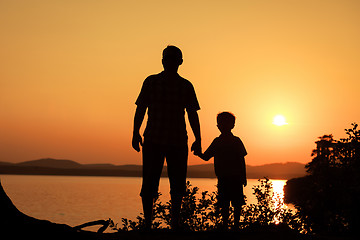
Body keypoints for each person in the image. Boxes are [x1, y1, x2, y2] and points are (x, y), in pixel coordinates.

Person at [132, 45, 202, 230]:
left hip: (177, 141)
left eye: (173, 58)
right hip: (153, 140)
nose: (170, 61)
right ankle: (148, 224)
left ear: (180, 62)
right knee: (149, 182)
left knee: (177, 185)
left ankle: (175, 224)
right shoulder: (151, 82)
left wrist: (198, 138)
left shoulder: (186, 86)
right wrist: (135, 132)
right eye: (167, 58)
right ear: (163, 61)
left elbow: (192, 113)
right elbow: (141, 108)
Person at [194, 112, 247, 229]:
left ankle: (235, 226)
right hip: (224, 178)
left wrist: (244, 177)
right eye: (221, 123)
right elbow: (206, 156)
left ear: (232, 125)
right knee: (226, 203)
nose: (223, 126)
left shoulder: (235, 141)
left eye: (225, 123)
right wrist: (198, 153)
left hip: (235, 178)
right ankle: (226, 225)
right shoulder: (218, 142)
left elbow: (242, 160)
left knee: (235, 203)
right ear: (218, 125)